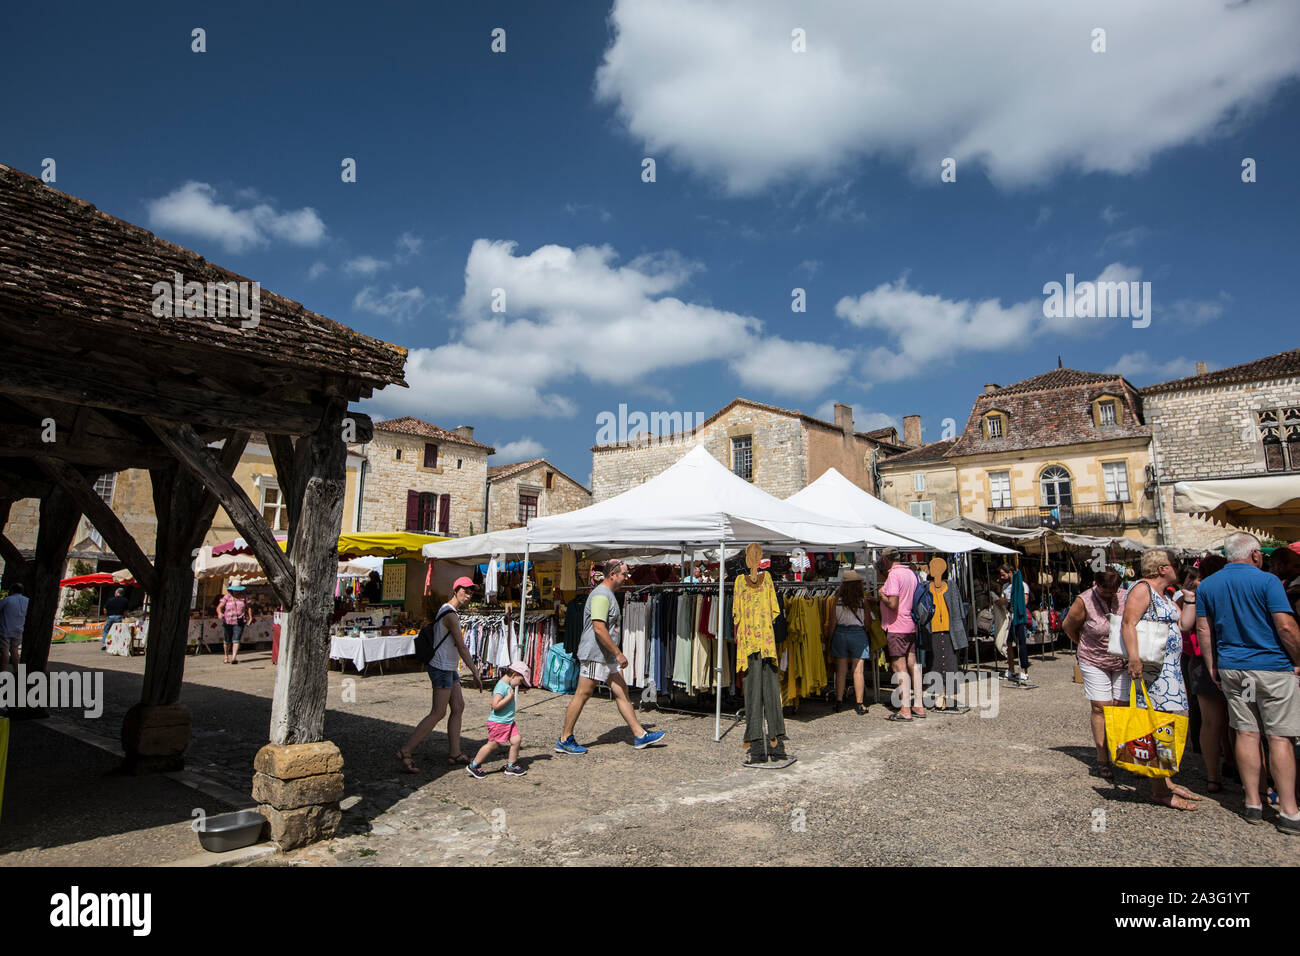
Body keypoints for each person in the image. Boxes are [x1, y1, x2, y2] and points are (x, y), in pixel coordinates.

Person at [1197, 531, 1300, 833]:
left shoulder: (1209, 585)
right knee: (1279, 737)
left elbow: (1204, 631)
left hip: (1233, 668)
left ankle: (1253, 801)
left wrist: (1212, 667)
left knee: (1246, 732)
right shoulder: (1268, 581)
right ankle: (1289, 810)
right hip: (1272, 668)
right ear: (1255, 554)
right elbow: (1285, 626)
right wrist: (1297, 659)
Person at [556, 559, 666, 753]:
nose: (626, 578)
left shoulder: (608, 594)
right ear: (613, 574)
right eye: (624, 574)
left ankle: (639, 734)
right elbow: (598, 628)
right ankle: (565, 738)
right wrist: (618, 653)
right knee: (583, 694)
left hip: (605, 655)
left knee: (621, 691)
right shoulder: (600, 595)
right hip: (595, 654)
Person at [1121, 549, 1198, 811]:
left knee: (1172, 723)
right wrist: (1134, 658)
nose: (1180, 569)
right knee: (1160, 726)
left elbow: (1185, 625)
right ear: (1162, 568)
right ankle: (1159, 790)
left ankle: (1165, 780)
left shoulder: (1164, 594)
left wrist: (1188, 599)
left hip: (1171, 673)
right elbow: (1128, 624)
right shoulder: (1142, 589)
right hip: (1153, 673)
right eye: (1176, 565)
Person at [397, 577, 484, 772]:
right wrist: (475, 672)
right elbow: (461, 646)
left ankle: (455, 752)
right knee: (438, 712)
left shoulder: (447, 610)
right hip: (442, 667)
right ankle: (406, 751)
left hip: (448, 667)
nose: (469, 595)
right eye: (466, 591)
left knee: (459, 706)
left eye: (471, 592)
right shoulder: (450, 614)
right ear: (456, 590)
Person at [1061, 569, 1127, 779]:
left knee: (1121, 706)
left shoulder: (1126, 596)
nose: (1109, 594)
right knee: (1100, 706)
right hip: (1093, 660)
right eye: (1105, 590)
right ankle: (1102, 757)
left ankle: (1123, 752)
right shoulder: (1085, 600)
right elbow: (1068, 626)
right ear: (1096, 584)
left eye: (1113, 590)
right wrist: (1083, 645)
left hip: (1122, 660)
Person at [1179, 556, 1232, 793]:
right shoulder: (1221, 590)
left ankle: (1213, 777)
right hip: (1228, 658)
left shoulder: (1195, 594)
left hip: (1202, 659)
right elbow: (1196, 627)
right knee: (1241, 724)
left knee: (1212, 722)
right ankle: (1243, 774)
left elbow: (1193, 627)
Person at [878, 547, 924, 720]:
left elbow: (892, 603)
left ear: (886, 559)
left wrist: (881, 595)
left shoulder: (894, 575)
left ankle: (905, 709)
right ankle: (918, 705)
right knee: (913, 663)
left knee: (899, 666)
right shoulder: (911, 574)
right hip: (910, 624)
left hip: (897, 626)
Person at [466, 662, 530, 778]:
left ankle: (511, 765)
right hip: (499, 723)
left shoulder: (508, 685)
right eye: (520, 681)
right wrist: (509, 698)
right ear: (514, 675)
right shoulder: (501, 687)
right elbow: (495, 705)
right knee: (492, 745)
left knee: (516, 740)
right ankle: (474, 765)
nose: (519, 684)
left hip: (508, 722)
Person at [828, 570, 871, 714]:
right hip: (858, 634)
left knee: (841, 670)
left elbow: (832, 622)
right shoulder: (862, 600)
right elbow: (867, 623)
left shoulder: (837, 600)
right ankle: (859, 704)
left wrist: (830, 638)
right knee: (858, 670)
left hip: (840, 634)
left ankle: (839, 702)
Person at [996, 564, 1032, 684]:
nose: (1002, 577)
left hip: (1019, 616)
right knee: (1008, 642)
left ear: (1010, 572)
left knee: (1021, 643)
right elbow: (1003, 601)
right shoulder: (1005, 586)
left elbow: (1025, 601)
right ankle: (1011, 669)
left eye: (1003, 574)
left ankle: (1024, 670)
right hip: (1009, 617)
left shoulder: (1021, 585)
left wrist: (1009, 600)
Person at [216, 584, 253, 664]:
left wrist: (250, 617)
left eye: (238, 589)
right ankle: (226, 656)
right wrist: (219, 613)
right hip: (228, 620)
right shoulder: (227, 597)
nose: (236, 591)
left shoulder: (244, 597)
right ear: (232, 589)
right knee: (227, 640)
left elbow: (249, 607)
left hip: (239, 621)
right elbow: (219, 607)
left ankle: (234, 657)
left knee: (236, 639)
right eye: (234, 589)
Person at [0, 582, 29, 675]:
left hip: (5, 629)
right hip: (19, 629)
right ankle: (17, 671)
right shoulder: (27, 601)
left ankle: (2, 671)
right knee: (15, 650)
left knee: (5, 651)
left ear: (12, 590)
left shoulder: (7, 600)